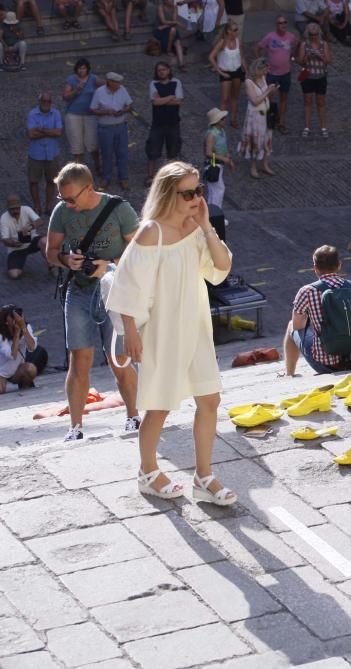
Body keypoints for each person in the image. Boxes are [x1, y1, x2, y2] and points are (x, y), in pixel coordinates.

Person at [106, 161, 235, 505]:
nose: (196, 198)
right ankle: (148, 472)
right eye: (189, 193)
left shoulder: (195, 228)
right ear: (168, 194)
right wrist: (131, 332)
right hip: (162, 330)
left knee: (210, 399)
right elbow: (126, 284)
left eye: (199, 191)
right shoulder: (152, 232)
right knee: (159, 406)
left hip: (195, 326)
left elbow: (221, 267)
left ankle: (204, 477)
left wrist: (207, 225)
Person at [45, 163, 141, 441]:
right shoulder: (62, 212)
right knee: (79, 359)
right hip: (80, 290)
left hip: (115, 289)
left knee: (118, 359)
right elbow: (51, 251)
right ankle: (75, 428)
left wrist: (109, 265)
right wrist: (65, 260)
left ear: (89, 189)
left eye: (71, 198)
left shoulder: (119, 209)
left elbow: (141, 253)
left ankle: (134, 417)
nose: (67, 204)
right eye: (62, 198)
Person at [284, 245, 351, 376]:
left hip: (325, 364)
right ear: (339, 265)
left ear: (315, 268)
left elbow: (298, 325)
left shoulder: (307, 291)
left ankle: (289, 374)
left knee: (291, 326)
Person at [89, 72, 132, 191]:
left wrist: (123, 111)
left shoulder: (122, 89)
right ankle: (106, 178)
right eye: (117, 82)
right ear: (110, 82)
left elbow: (129, 105)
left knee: (122, 153)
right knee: (106, 154)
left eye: (119, 83)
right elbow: (93, 109)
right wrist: (105, 112)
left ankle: (123, 178)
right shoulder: (99, 92)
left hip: (120, 126)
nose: (119, 85)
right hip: (105, 127)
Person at [255, 15, 297, 134]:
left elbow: (297, 46)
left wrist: (292, 56)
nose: (283, 24)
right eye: (280, 23)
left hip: (285, 73)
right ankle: (267, 121)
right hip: (272, 74)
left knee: (283, 98)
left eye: (284, 22)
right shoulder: (270, 37)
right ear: (276, 25)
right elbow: (257, 48)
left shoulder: (291, 37)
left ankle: (281, 123)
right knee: (268, 98)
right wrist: (262, 64)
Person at [146, 62, 184, 186]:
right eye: (159, 70)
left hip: (173, 122)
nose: (161, 72)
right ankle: (151, 176)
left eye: (163, 69)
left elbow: (178, 102)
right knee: (153, 150)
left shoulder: (176, 82)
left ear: (168, 70)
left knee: (173, 150)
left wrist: (162, 99)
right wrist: (170, 97)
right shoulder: (153, 84)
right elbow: (155, 102)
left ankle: (171, 177)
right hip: (158, 123)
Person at [63, 59, 103, 173]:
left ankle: (97, 165)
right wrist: (76, 90)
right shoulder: (71, 79)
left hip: (90, 115)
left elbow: (105, 85)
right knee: (77, 143)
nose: (82, 70)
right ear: (76, 69)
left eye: (84, 68)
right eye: (80, 68)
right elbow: (65, 96)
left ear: (87, 69)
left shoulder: (93, 78)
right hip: (73, 115)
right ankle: (79, 169)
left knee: (93, 142)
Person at [26, 93, 63, 215]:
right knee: (33, 181)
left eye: (48, 101)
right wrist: (50, 132)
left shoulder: (56, 113)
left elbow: (58, 132)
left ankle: (48, 206)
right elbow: (31, 134)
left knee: (51, 181)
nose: (46, 103)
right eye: (44, 101)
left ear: (51, 102)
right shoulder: (32, 114)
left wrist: (41, 130)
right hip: (36, 154)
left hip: (52, 153)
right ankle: (37, 206)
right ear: (40, 101)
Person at [239, 58, 276, 179]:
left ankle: (265, 164)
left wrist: (271, 90)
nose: (267, 72)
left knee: (266, 139)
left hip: (266, 113)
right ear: (258, 69)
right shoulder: (249, 82)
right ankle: (253, 167)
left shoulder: (263, 78)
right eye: (265, 70)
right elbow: (255, 101)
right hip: (255, 116)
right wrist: (268, 91)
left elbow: (265, 95)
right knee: (256, 141)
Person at [0, 305, 46, 393]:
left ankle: (24, 386)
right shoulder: (1, 335)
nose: (17, 319)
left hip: (16, 370)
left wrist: (24, 328)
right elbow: (12, 355)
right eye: (13, 317)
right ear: (6, 321)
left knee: (30, 369)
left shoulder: (25, 327)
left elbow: (32, 347)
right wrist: (17, 333)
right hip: (1, 371)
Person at [1, 194, 48, 279]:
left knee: (45, 241)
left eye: (17, 208)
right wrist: (12, 243)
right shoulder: (3, 218)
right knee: (14, 275)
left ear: (20, 206)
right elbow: (4, 239)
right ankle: (18, 265)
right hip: (16, 248)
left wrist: (30, 227)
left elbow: (40, 221)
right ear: (8, 208)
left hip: (32, 240)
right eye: (12, 209)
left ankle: (52, 265)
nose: (15, 211)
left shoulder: (26, 209)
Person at [296, 22, 331, 138]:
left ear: (318, 34)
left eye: (315, 34)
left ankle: (323, 127)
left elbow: (328, 60)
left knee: (321, 102)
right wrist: (308, 57)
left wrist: (320, 56)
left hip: (320, 76)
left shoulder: (324, 44)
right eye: (311, 34)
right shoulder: (304, 45)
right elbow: (300, 61)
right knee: (307, 102)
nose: (313, 36)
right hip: (307, 76)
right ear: (308, 34)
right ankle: (306, 127)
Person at [208, 22, 245, 128]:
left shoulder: (238, 42)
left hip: (237, 71)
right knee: (224, 98)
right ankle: (221, 120)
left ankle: (233, 119)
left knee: (235, 96)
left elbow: (242, 56)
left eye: (237, 29)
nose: (237, 32)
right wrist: (219, 71)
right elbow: (211, 57)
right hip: (225, 72)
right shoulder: (222, 42)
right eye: (235, 30)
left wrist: (245, 68)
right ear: (228, 31)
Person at [204, 108, 234, 208]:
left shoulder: (221, 132)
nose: (224, 120)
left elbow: (223, 148)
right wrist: (223, 159)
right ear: (217, 121)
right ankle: (216, 215)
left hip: (218, 164)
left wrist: (228, 158)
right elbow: (208, 153)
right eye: (222, 119)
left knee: (214, 190)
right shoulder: (211, 135)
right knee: (218, 189)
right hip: (213, 164)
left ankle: (211, 215)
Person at [150, 0, 186, 71]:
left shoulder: (174, 7)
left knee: (177, 42)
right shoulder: (160, 7)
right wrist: (176, 23)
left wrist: (168, 25)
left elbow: (174, 20)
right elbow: (163, 21)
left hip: (169, 28)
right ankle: (168, 49)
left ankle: (181, 64)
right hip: (160, 30)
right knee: (173, 30)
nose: (172, 1)